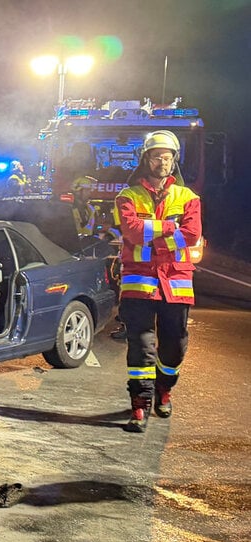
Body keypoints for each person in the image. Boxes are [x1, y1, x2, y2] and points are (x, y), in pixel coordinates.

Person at [113, 130, 201, 432]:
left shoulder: (188, 197)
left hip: (176, 282)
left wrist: (153, 237)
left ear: (174, 160)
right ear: (146, 159)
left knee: (174, 346)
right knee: (141, 346)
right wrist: (170, 227)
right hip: (139, 282)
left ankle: (165, 389)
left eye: (167, 157)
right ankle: (140, 406)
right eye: (156, 156)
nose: (161, 162)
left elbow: (192, 234)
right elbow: (132, 231)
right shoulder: (127, 196)